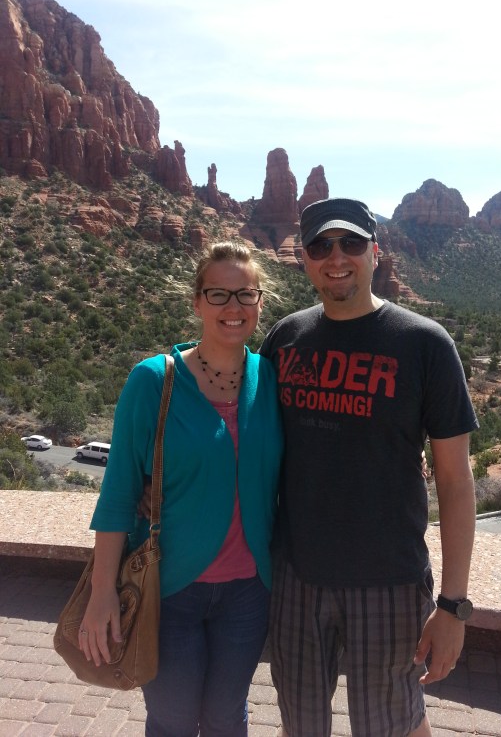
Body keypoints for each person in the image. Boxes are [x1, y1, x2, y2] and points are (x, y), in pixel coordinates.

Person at [259, 197, 478, 737]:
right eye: (320, 246)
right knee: (300, 724)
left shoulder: (425, 345)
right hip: (297, 577)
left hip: (390, 581)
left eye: (351, 243)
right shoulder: (284, 339)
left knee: (394, 724)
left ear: (375, 252)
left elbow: (455, 482)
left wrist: (453, 606)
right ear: (304, 260)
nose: (337, 257)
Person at [79, 241, 284, 737]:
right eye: (218, 294)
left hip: (249, 592)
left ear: (260, 302)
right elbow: (119, 492)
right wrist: (102, 593)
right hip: (168, 590)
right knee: (171, 721)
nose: (233, 306)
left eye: (246, 294)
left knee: (226, 717)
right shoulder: (154, 381)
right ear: (196, 302)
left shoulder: (270, 379)